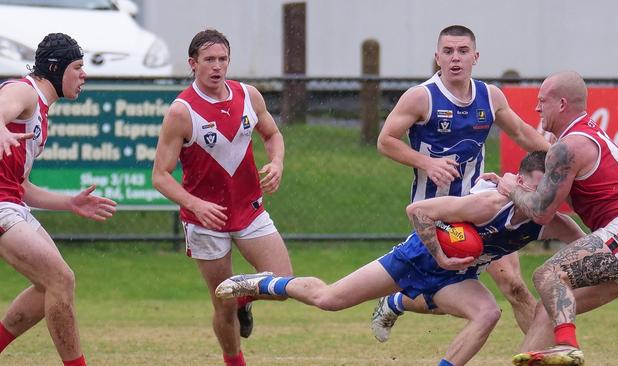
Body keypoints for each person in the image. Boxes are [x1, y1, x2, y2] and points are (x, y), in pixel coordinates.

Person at [215, 152, 585, 366]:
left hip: (457, 275)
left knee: (488, 313)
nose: (545, 198)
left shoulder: (551, 223)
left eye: (551, 190)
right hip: (418, 256)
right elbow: (418, 210)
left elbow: (594, 246)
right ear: (518, 182)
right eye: (538, 189)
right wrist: (440, 251)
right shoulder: (488, 203)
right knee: (330, 299)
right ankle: (262, 281)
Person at [375, 24, 552, 338]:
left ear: (475, 56)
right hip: (442, 219)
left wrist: (562, 159)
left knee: (514, 286)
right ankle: (398, 301)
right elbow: (386, 141)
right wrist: (426, 162)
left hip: (484, 207)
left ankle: (538, 355)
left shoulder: (490, 96)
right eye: (448, 51)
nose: (455, 58)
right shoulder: (420, 97)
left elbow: (523, 134)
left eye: (462, 51)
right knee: (444, 295)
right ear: (437, 57)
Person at [151, 29, 293, 366]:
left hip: (250, 210)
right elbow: (160, 175)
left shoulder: (249, 95)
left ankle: (244, 297)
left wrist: (277, 162)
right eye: (209, 60)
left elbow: (272, 134)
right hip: (206, 221)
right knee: (222, 305)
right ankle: (235, 361)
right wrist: (195, 204)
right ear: (193, 63)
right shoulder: (181, 111)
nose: (217, 67)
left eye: (223, 59)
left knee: (284, 283)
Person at [488, 71, 618, 366]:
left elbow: (540, 211)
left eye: (542, 101)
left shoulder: (569, 146)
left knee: (548, 274)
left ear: (562, 104)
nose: (537, 108)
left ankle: (567, 345)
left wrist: (511, 189)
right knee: (549, 307)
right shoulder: (578, 139)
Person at [0, 33, 117, 366]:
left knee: (49, 286)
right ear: (55, 67)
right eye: (78, 67)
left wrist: (70, 203)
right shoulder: (24, 91)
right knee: (60, 279)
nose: (84, 75)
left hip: (11, 202)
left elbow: (20, 186)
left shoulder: (41, 111)